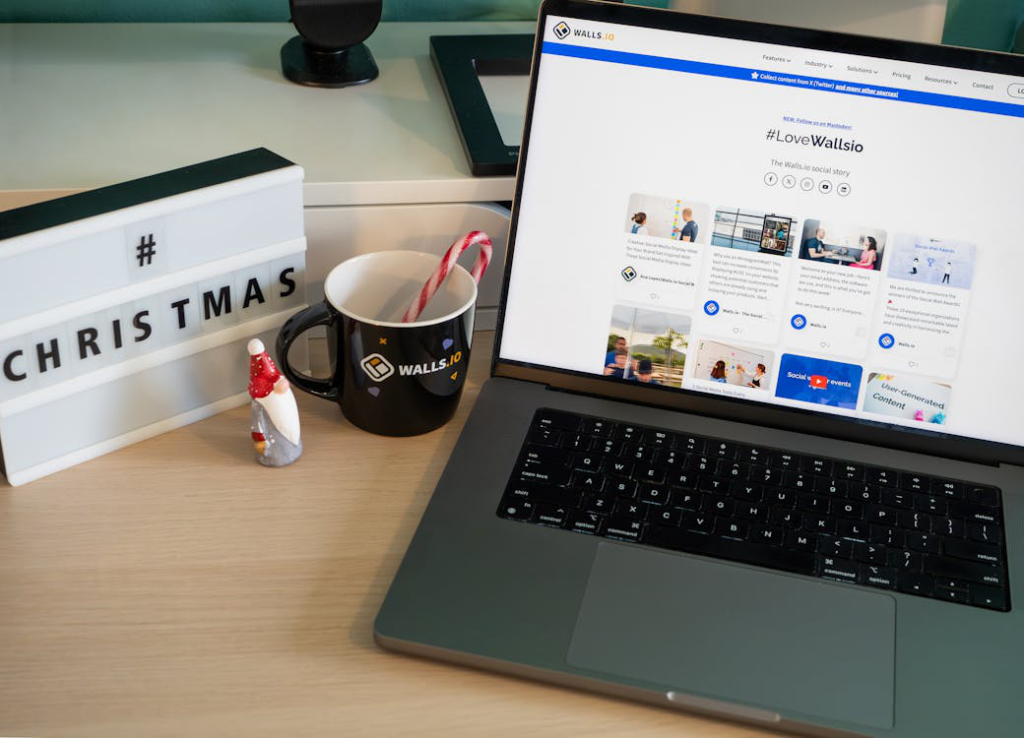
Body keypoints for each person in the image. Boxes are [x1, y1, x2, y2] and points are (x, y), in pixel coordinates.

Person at [248, 339, 302, 467]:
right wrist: (260, 443)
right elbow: (258, 427)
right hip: (273, 448)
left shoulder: (284, 397)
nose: (283, 385)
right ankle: (279, 456)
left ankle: (293, 449)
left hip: (292, 440)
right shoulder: (260, 405)